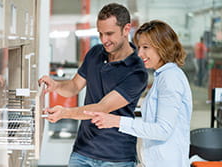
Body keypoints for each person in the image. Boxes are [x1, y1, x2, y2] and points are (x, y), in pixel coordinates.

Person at [39, 3, 148, 167]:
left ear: (126, 29)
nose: (104, 40)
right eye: (100, 33)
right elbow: (74, 86)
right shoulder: (95, 53)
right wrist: (56, 86)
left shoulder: (137, 71)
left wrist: (65, 113)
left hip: (117, 157)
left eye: (109, 34)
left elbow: (101, 108)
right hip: (82, 152)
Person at [85, 20, 192, 167]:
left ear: (163, 46)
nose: (140, 53)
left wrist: (116, 121)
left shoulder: (170, 78)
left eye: (146, 47)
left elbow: (163, 130)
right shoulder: (163, 76)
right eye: (139, 47)